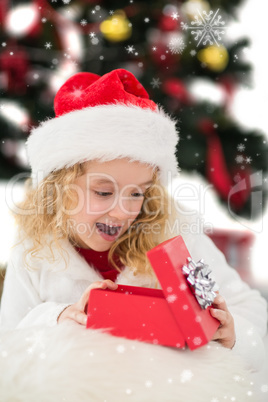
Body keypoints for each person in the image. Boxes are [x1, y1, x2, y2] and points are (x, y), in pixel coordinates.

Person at [0, 69, 266, 371]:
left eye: (137, 194)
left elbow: (251, 308)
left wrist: (233, 335)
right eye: (103, 192)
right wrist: (60, 317)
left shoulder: (174, 231)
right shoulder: (35, 250)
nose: (123, 211)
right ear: (58, 189)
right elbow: (8, 342)